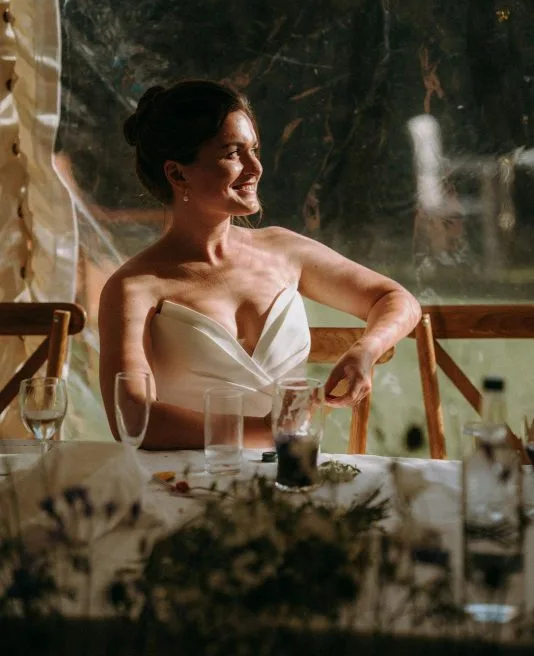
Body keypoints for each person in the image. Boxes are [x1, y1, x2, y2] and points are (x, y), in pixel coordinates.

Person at [98, 79, 421, 449]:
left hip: (290, 470)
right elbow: (131, 417)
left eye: (254, 150)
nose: (255, 168)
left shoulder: (283, 250)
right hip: (184, 477)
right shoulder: (135, 286)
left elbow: (397, 299)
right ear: (177, 173)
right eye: (232, 154)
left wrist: (365, 350)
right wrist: (269, 432)